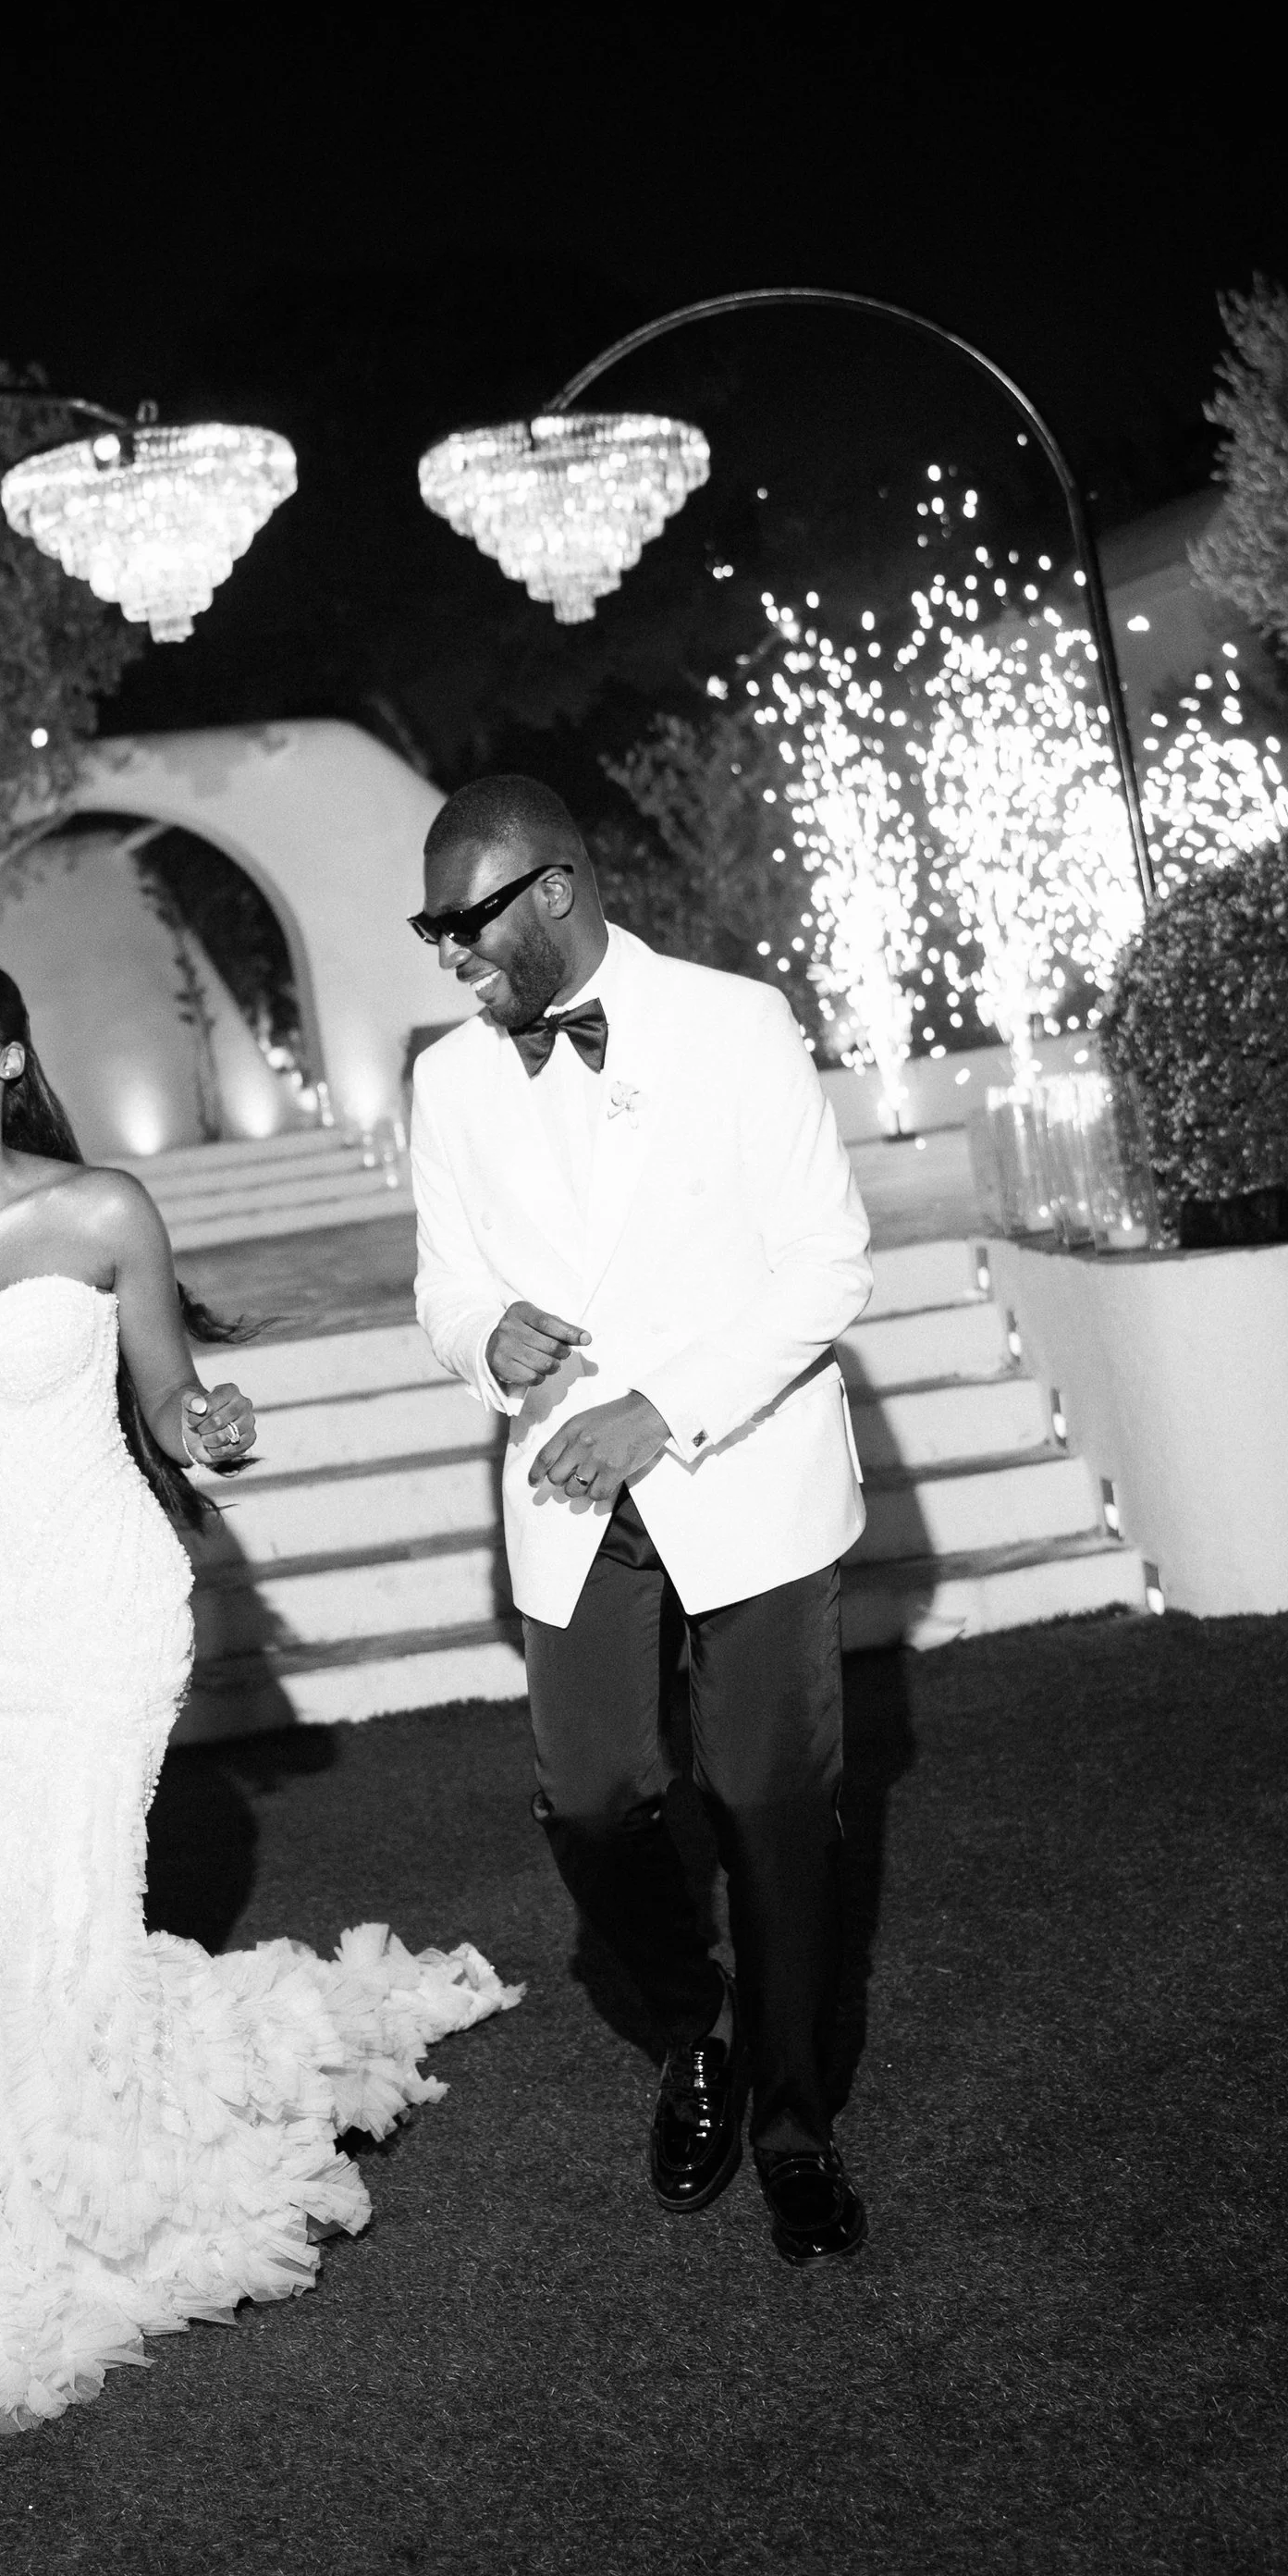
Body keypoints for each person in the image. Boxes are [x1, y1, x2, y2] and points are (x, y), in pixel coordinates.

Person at [0, 943, 518, 2434]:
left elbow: (164, 1400)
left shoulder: (98, 1212)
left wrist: (211, 1421)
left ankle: (97, 2198)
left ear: (10, 1057)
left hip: (94, 1619)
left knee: (67, 1923)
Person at [407, 778, 875, 2262]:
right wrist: (485, 1334)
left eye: (461, 921)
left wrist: (660, 1408)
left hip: (738, 1468)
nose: (445, 955)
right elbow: (442, 1277)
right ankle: (696, 2028)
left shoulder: (735, 1023)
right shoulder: (446, 1078)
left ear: (554, 889)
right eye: (428, 931)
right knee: (594, 1798)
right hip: (565, 1487)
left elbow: (828, 1264)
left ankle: (797, 2128)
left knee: (773, 1806)